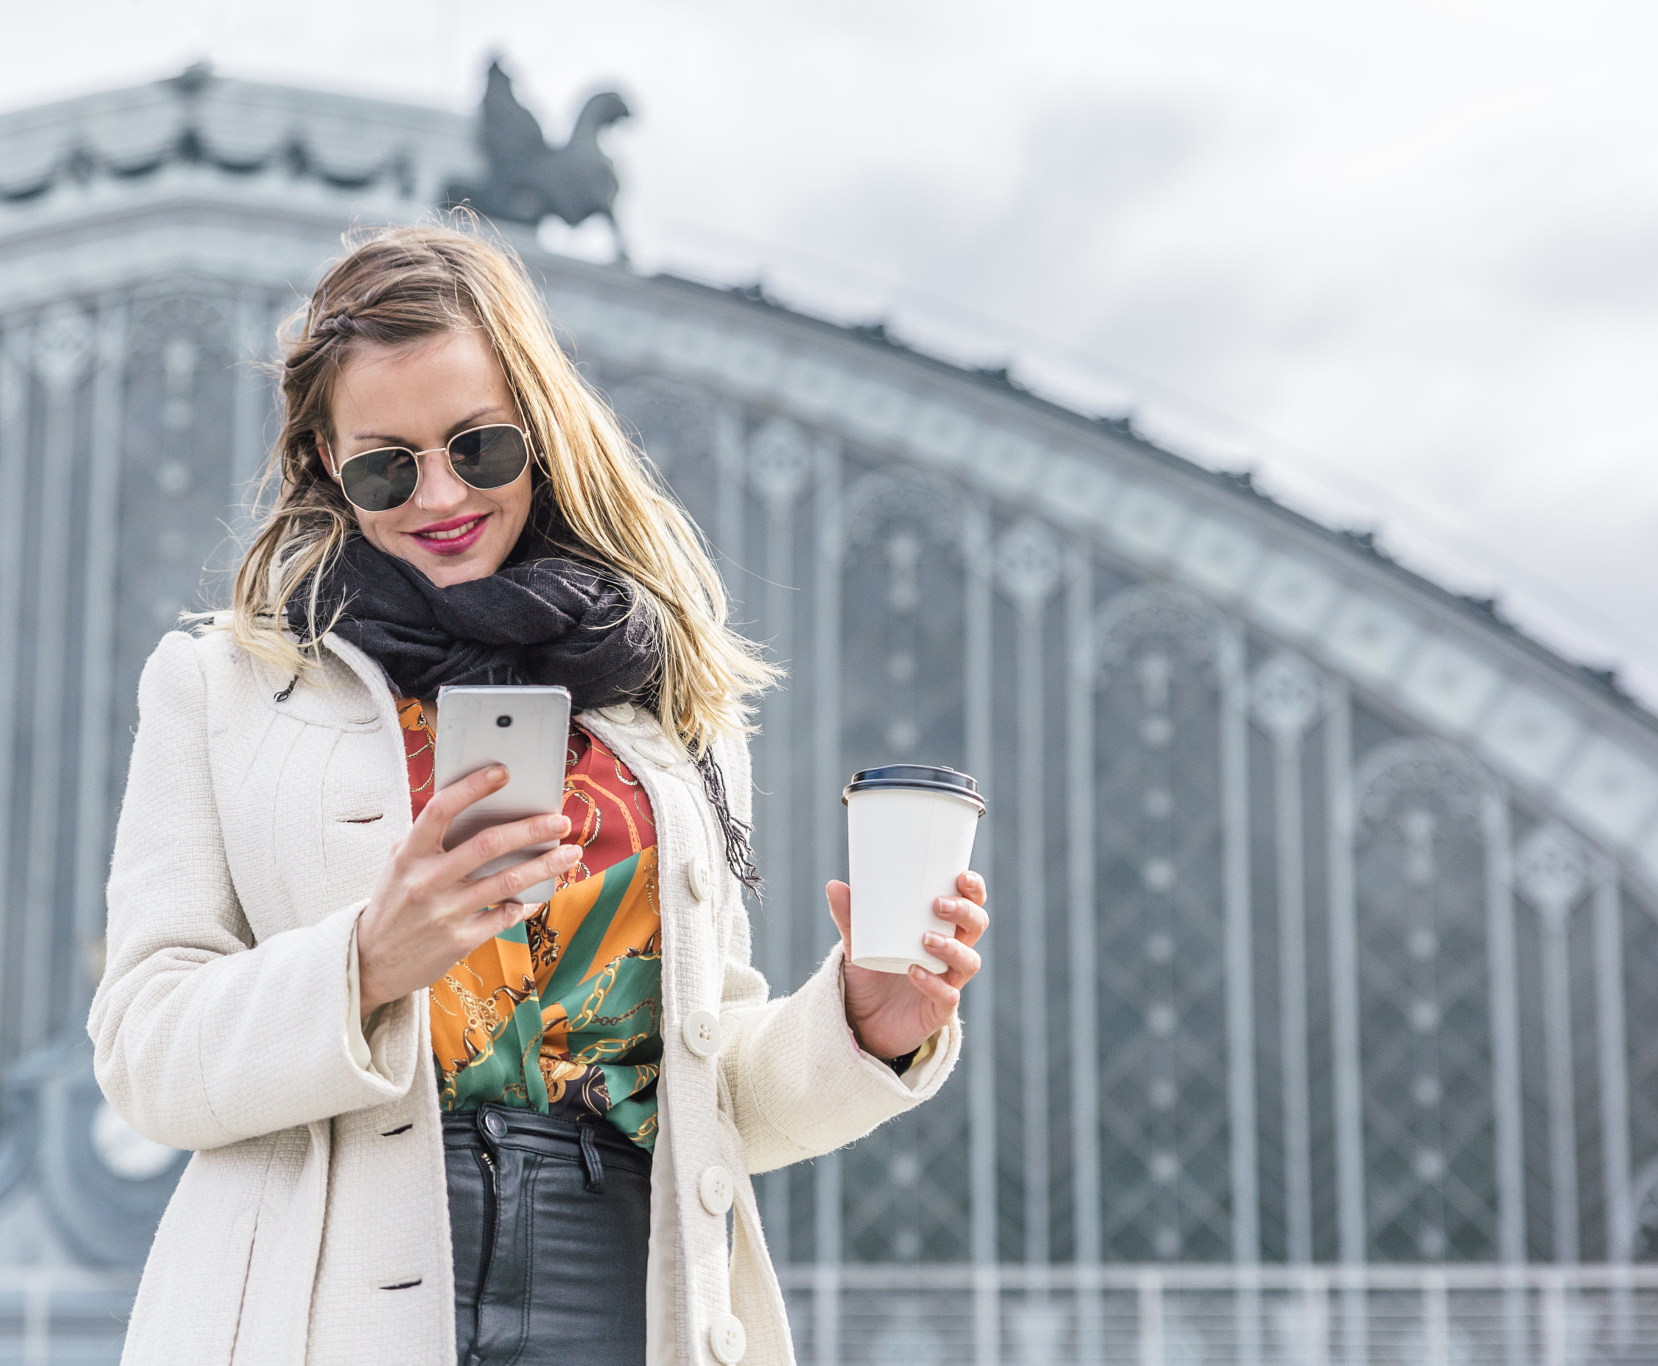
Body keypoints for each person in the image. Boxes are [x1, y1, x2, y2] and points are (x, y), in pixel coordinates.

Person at [87, 221, 988, 1366]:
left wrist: (868, 1023)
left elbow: (717, 1098)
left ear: (539, 431)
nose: (439, 494)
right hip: (318, 1303)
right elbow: (145, 1056)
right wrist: (367, 960)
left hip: (624, 1274)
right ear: (322, 463)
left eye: (479, 447)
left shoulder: (666, 707)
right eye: (385, 463)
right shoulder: (222, 685)